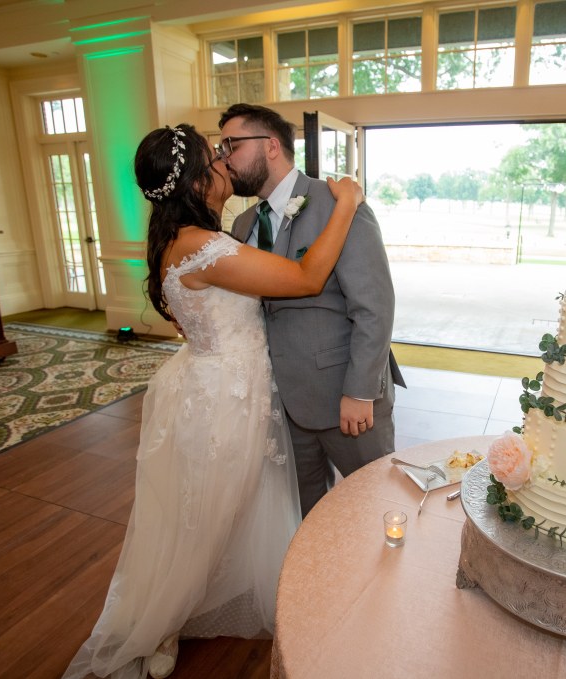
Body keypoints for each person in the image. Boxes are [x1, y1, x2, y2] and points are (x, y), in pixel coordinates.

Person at [61, 123, 364, 679]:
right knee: (205, 516)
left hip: (217, 383)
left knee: (224, 507)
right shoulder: (203, 246)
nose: (227, 164)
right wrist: (347, 202)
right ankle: (161, 622)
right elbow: (305, 277)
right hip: (225, 399)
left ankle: (203, 601)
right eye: (216, 160)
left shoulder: (179, 240)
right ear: (198, 182)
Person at [218, 103, 405, 518]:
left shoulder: (337, 205)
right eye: (221, 148)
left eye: (231, 145)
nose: (224, 158)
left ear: (270, 146)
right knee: (309, 516)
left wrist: (360, 391)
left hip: (344, 399)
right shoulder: (243, 224)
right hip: (281, 404)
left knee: (374, 507)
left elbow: (374, 305)